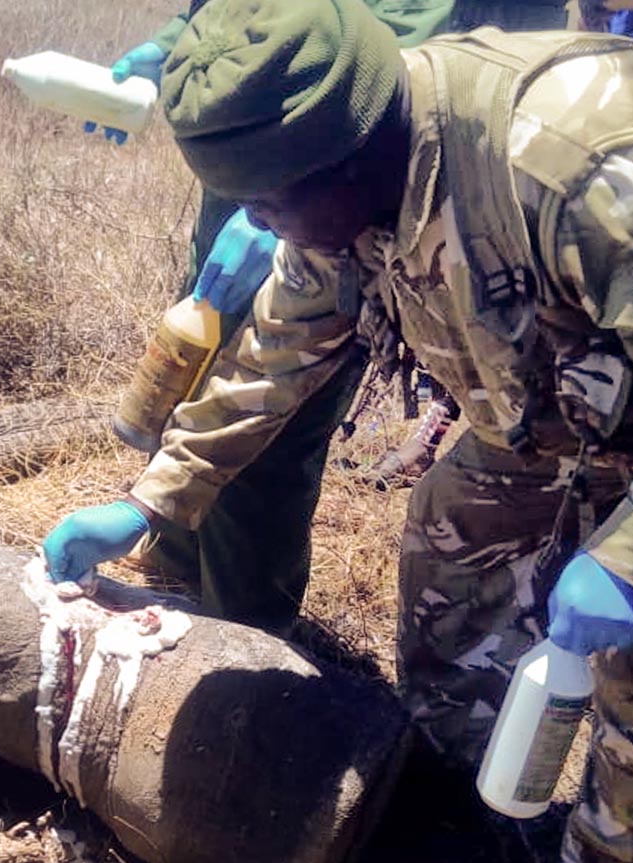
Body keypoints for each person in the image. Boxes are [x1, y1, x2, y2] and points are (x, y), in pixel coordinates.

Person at [45, 3, 633, 863]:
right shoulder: (340, 193)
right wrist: (154, 498)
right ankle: (463, 813)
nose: (265, 224)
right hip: (557, 422)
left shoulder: (582, 161)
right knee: (453, 534)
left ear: (346, 153)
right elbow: (275, 353)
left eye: (269, 203)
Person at [86, 0, 455, 633]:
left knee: (271, 453)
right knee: (200, 365)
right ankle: (177, 558)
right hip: (273, 146)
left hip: (327, 134)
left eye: (269, 211)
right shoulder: (292, 214)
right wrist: (190, 49)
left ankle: (246, 632)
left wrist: (308, 149)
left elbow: (401, 29)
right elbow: (259, 371)